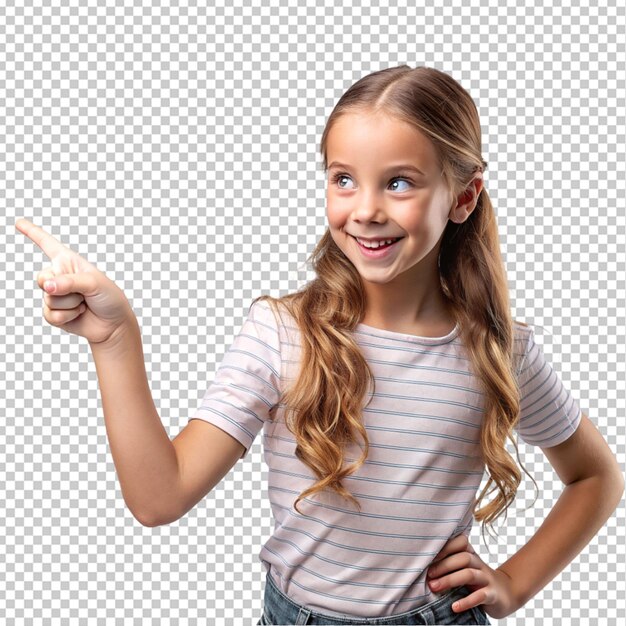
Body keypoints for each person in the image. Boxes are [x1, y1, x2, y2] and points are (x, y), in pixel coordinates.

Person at [16, 65, 623, 626]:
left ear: (462, 197)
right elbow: (159, 496)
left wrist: (514, 583)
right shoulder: (283, 335)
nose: (365, 210)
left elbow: (596, 478)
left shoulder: (498, 350)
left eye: (400, 183)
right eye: (343, 180)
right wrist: (116, 340)